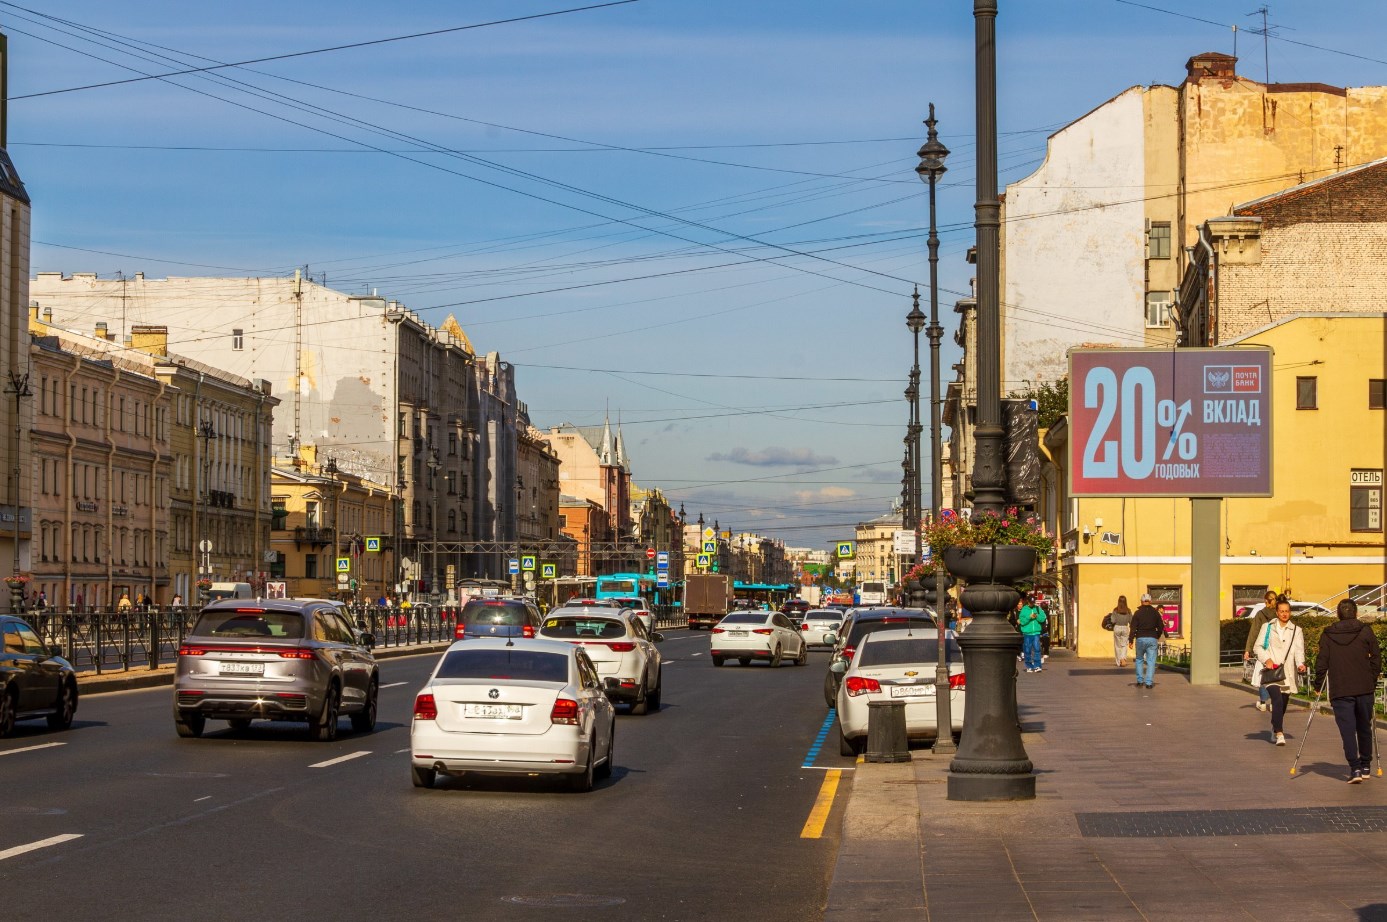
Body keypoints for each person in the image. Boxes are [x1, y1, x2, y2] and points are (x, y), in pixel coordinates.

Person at [1314, 598, 1382, 782]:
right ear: (1356, 612)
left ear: (1338, 614)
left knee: (1347, 730)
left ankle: (1355, 768)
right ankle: (1366, 765)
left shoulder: (1328, 634)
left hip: (1341, 688)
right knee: (1364, 727)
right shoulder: (1365, 631)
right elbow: (1376, 657)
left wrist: (1318, 684)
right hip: (1364, 687)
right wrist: (1371, 679)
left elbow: (1322, 662)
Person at [1251, 599, 1307, 746]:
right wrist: (1267, 659)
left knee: (1282, 704)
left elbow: (1299, 651)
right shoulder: (1267, 627)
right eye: (1281, 611)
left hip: (1287, 673)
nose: (1284, 614)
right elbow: (1257, 647)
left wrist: (1300, 664)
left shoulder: (1296, 630)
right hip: (1272, 671)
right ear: (1276, 612)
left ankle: (1274, 727)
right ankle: (1280, 733)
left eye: (1287, 611)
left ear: (1290, 613)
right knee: (1276, 699)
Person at [1244, 591, 1283, 712]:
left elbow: (1254, 632)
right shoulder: (1279, 613)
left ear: (1266, 601)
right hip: (1277, 649)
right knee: (1276, 675)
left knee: (1263, 675)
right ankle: (1274, 702)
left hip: (1264, 649)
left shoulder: (1261, 614)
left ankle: (1262, 703)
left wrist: (1248, 650)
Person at [1129, 593, 1166, 689]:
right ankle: (1149, 683)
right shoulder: (1155, 613)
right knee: (1151, 661)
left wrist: (1131, 640)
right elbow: (1161, 626)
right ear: (1150, 601)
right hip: (1152, 638)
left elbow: (1133, 628)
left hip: (1140, 638)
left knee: (1139, 659)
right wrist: (1157, 636)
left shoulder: (1137, 613)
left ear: (1141, 601)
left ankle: (1140, 681)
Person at [1018, 595, 1047, 673]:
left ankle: (1037, 666)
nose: (1032, 604)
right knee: (1027, 650)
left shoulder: (1037, 608)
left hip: (1036, 632)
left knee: (1037, 649)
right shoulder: (1024, 609)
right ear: (1028, 602)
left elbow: (1043, 618)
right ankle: (1029, 666)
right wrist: (1029, 617)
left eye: (1033, 602)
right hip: (1027, 633)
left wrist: (1036, 616)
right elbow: (1022, 621)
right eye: (1031, 602)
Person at [1108, 595, 1134, 666]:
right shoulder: (1128, 610)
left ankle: (1119, 661)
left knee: (1117, 645)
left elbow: (1113, 621)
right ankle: (1123, 658)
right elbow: (1131, 621)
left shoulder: (1115, 610)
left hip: (1117, 627)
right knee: (1124, 645)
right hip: (1125, 627)